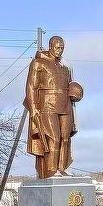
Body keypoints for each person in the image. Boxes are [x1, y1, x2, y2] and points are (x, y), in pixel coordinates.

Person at [23, 36, 82, 178]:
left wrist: (77, 92)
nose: (59, 50)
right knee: (54, 138)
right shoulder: (38, 63)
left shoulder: (66, 66)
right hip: (47, 106)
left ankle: (62, 168)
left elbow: (71, 85)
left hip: (65, 105)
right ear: (50, 46)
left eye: (62, 48)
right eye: (57, 47)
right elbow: (31, 86)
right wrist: (33, 108)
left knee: (65, 138)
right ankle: (52, 170)